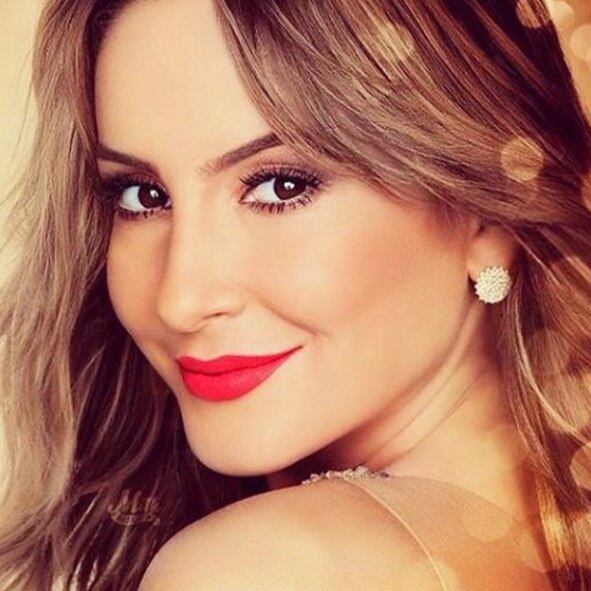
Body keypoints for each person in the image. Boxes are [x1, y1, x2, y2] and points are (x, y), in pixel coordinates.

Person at [0, 0, 590, 589]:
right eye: (141, 196)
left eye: (280, 187)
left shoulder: (264, 567)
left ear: (486, 216)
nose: (180, 300)